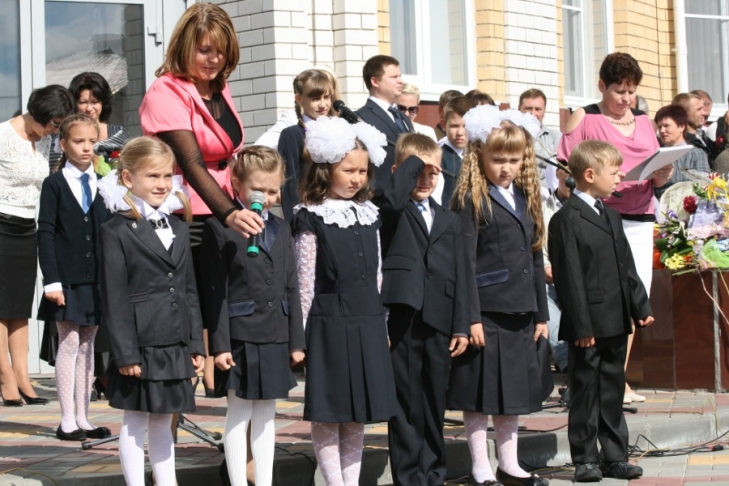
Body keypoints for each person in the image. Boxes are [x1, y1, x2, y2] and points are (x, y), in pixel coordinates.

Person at [139, 2, 259, 399]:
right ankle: (171, 412)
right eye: (204, 50)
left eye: (221, 51)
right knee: (188, 313)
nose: (213, 59)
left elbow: (227, 151)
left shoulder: (219, 87)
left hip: (222, 208)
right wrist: (230, 212)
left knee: (220, 306)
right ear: (184, 46)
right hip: (185, 213)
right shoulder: (166, 91)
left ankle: (221, 396)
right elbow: (190, 163)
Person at [447, 105, 549, 486]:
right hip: (487, 311)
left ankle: (510, 463)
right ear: (480, 157)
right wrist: (470, 318)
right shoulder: (471, 199)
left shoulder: (524, 196)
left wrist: (541, 313)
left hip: (521, 309)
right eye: (498, 160)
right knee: (481, 392)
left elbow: (535, 256)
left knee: (513, 392)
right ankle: (480, 466)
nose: (506, 168)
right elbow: (464, 264)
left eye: (514, 160)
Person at [292, 116, 396, 485]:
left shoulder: (369, 214)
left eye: (362, 172)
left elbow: (378, 273)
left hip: (367, 318)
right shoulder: (310, 216)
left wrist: (383, 323)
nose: (356, 179)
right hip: (329, 322)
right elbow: (305, 281)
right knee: (330, 410)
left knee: (357, 411)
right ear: (326, 170)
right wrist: (301, 335)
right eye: (348, 170)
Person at [98, 136, 205, 486]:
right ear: (128, 178)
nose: (162, 184)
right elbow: (114, 296)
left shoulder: (179, 227)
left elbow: (189, 289)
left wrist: (195, 343)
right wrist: (125, 352)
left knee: (164, 418)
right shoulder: (115, 230)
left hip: (174, 340)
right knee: (135, 419)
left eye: (167, 176)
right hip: (140, 342)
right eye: (152, 176)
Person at [549, 140, 654, 482]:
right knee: (585, 391)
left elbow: (626, 265)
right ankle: (585, 459)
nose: (620, 176)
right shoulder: (566, 219)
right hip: (588, 323)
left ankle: (615, 455)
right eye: (615, 171)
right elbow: (569, 277)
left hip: (615, 317)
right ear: (590, 175)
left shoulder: (611, 215)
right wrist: (580, 325)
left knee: (612, 387)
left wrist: (639, 305)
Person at [201, 146, 306, 486]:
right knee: (239, 411)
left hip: (275, 332)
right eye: (258, 190)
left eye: (273, 191)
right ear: (236, 183)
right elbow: (216, 292)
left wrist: (296, 341)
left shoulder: (282, 227)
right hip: (240, 334)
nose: (267, 198)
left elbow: (291, 285)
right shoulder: (219, 227)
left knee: (266, 414)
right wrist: (219, 346)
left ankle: (264, 481)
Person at [558, 52, 659, 405]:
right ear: (602, 86)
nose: (626, 99)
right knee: (600, 295)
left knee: (634, 295)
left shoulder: (644, 120)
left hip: (640, 215)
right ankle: (589, 378)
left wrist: (662, 173)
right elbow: (564, 171)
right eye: (619, 91)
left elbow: (656, 167)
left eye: (631, 91)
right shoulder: (585, 116)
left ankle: (620, 379)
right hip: (599, 217)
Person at [375, 133, 469, 486]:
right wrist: (413, 165)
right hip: (403, 315)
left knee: (433, 400)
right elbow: (391, 200)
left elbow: (461, 274)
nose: (426, 180)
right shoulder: (390, 209)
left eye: (433, 173)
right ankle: (409, 476)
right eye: (419, 172)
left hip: (439, 317)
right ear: (400, 172)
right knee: (405, 400)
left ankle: (433, 474)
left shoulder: (449, 219)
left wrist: (461, 324)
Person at [37, 114, 112, 440]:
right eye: (79, 141)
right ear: (63, 144)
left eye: (91, 142)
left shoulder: (104, 183)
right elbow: (46, 233)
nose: (86, 148)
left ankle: (84, 417)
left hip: (95, 281)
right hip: (66, 280)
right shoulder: (54, 185)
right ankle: (66, 419)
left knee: (88, 346)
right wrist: (52, 280)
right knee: (68, 343)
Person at [0, 84, 75, 407]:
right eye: (52, 123)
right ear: (38, 112)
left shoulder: (45, 141)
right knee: (0, 306)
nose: (53, 131)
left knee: (19, 306)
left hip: (27, 227)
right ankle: (5, 377)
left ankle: (22, 376)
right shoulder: (3, 135)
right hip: (1, 224)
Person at [278, 69, 338, 221]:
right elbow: (290, 185)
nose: (323, 104)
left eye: (327, 97)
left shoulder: (340, 130)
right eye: (315, 99)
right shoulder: (292, 134)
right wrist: (296, 222)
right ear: (299, 99)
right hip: (309, 214)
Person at [356, 55, 413, 191]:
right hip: (380, 195)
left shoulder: (402, 117)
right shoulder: (361, 118)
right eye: (394, 77)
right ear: (375, 81)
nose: (400, 81)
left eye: (400, 76)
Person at [541, 165, 571, 374]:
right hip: (551, 277)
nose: (571, 181)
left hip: (580, 279)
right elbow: (537, 243)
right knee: (542, 294)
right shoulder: (543, 207)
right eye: (566, 175)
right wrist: (545, 265)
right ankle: (566, 360)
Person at [652, 104, 710, 199]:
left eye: (666, 126)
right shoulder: (656, 155)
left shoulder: (696, 154)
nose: (662, 130)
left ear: (681, 126)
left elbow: (704, 186)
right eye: (660, 127)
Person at [518, 88, 562, 189]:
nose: (533, 114)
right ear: (519, 109)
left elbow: (558, 170)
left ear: (544, 111)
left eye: (538, 109)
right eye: (528, 108)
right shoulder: (511, 136)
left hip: (549, 193)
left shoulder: (556, 137)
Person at [441, 96, 475, 207]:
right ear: (444, 125)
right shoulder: (439, 157)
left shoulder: (479, 155)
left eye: (465, 126)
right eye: (454, 126)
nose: (460, 132)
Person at [673, 92, 719, 167]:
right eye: (699, 109)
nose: (704, 113)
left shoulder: (705, 139)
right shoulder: (682, 145)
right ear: (683, 113)